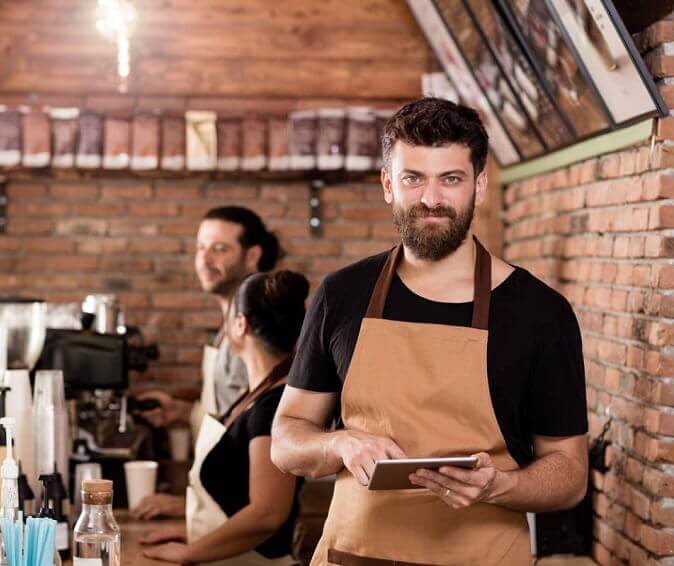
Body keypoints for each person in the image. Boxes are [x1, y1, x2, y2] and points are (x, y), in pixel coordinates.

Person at [270, 97, 588, 565]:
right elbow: (285, 439)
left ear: (479, 187)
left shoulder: (541, 313)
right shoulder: (342, 295)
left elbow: (570, 472)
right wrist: (339, 442)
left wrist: (502, 485)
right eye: (413, 178)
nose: (432, 199)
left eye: (451, 179)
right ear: (387, 184)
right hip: (354, 556)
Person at [142, 271, 309, 565]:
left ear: (240, 325)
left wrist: (190, 552)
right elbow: (237, 499)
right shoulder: (253, 397)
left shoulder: (271, 408)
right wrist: (195, 534)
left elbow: (267, 513)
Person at [131, 206, 282, 520]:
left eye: (219, 249)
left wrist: (187, 507)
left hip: (237, 518)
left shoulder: (255, 333)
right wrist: (182, 411)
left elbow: (257, 438)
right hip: (217, 514)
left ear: (253, 255)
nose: (204, 258)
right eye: (200, 247)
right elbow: (230, 412)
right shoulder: (228, 327)